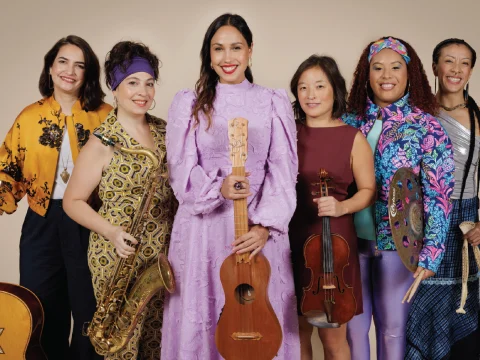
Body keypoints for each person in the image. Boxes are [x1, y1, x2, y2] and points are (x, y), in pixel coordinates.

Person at [161, 13, 300, 359]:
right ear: (208, 55)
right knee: (206, 313)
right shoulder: (189, 103)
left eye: (236, 47)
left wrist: (266, 227)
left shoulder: (272, 101)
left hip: (255, 229)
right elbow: (180, 169)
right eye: (218, 49)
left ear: (250, 50)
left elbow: (283, 170)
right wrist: (217, 189)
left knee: (257, 314)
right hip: (203, 228)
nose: (227, 57)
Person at [342, 36, 455, 360]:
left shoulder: (426, 127)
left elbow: (439, 195)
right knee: (353, 329)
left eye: (395, 67)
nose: (386, 75)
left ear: (410, 74)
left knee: (393, 330)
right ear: (367, 74)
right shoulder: (348, 122)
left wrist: (431, 255)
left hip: (399, 248)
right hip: (349, 243)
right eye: (377, 67)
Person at [63, 41, 176, 359]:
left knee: (158, 343)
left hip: (162, 256)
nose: (143, 91)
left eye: (149, 83)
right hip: (118, 258)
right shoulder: (102, 141)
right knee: (123, 347)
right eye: (132, 82)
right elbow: (73, 201)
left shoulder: (165, 132)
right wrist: (111, 232)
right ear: (114, 87)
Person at [0, 35, 110, 360]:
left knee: (91, 312)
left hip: (89, 222)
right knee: (41, 310)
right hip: (41, 223)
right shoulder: (29, 117)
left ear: (88, 73)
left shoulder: (105, 116)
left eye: (80, 65)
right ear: (51, 66)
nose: (70, 71)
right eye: (63, 61)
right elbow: (8, 168)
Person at [288, 55, 375, 360]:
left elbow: (367, 191)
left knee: (333, 340)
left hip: (333, 244)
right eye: (303, 87)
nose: (310, 95)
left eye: (319, 86)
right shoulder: (288, 132)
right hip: (289, 237)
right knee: (295, 334)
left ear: (334, 89)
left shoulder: (353, 138)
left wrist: (341, 207)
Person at [405, 38, 480, 360]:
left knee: (461, 309)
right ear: (435, 67)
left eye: (464, 63)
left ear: (471, 71)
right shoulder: (416, 115)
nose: (456, 70)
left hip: (465, 225)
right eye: (449, 61)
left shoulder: (478, 118)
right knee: (419, 310)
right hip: (422, 223)